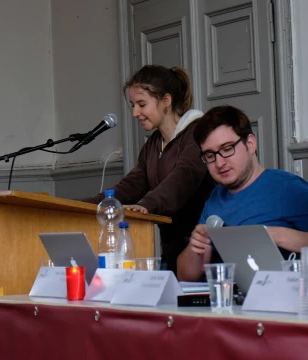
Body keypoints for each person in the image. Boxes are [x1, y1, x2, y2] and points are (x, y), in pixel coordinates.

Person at [82, 65, 215, 272]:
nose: (135, 113)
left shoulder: (197, 133)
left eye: (142, 104)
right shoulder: (153, 145)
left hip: (203, 252)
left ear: (166, 101)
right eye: (133, 105)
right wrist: (87, 205)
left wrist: (147, 204)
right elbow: (130, 186)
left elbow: (182, 178)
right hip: (171, 252)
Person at [176, 105, 308, 281]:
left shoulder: (288, 188)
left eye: (227, 149)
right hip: (229, 302)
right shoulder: (214, 199)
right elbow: (185, 277)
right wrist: (195, 246)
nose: (219, 163)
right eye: (210, 155)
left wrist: (271, 235)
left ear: (250, 144)